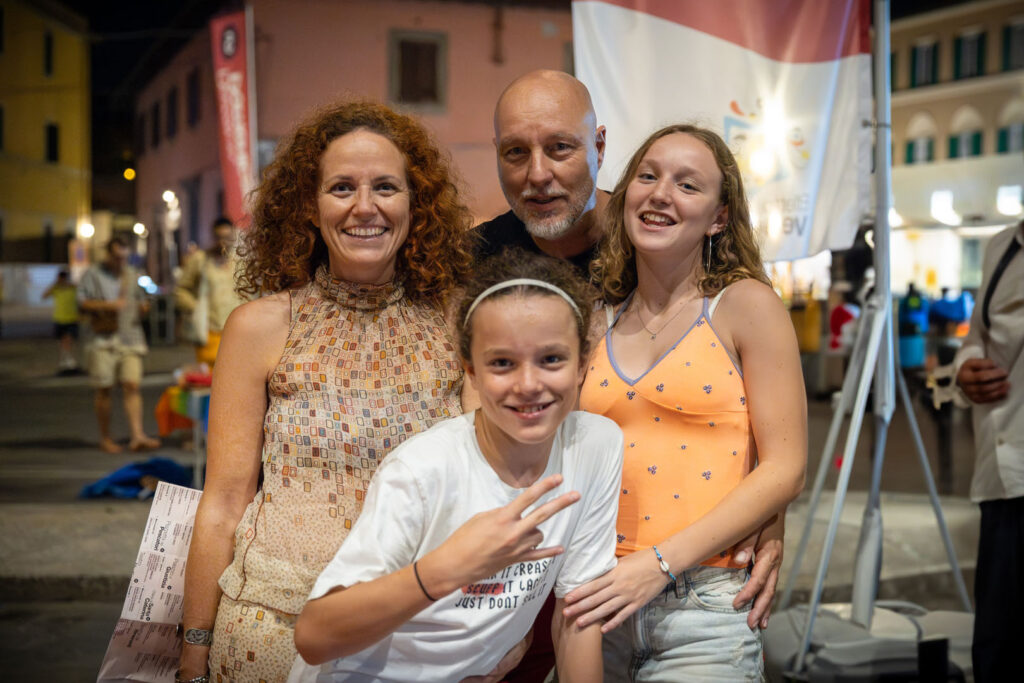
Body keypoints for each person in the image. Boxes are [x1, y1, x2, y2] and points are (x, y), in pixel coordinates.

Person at [177, 101, 475, 683]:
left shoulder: (458, 322)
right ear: (309, 209)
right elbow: (224, 502)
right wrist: (193, 652)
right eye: (342, 188)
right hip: (269, 634)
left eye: (385, 187)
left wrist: (495, 633)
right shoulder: (258, 328)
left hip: (417, 638)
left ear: (415, 204)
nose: (365, 206)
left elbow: (484, 497)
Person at [290, 251, 622, 682]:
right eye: (502, 363)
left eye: (552, 359)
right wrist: (448, 568)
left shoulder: (595, 446)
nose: (528, 384)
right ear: (472, 372)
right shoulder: (421, 470)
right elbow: (314, 636)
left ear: (582, 364)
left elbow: (579, 613)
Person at [565, 124, 807, 680]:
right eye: (647, 176)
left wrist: (659, 564)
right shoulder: (595, 317)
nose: (660, 194)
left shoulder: (745, 306)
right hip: (597, 596)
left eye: (687, 184)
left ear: (719, 217)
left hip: (704, 603)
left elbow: (786, 468)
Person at [953, 219, 1023, 682]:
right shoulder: (1003, 245)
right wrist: (965, 367)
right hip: (1002, 476)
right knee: (997, 649)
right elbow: (977, 334)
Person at [78, 235, 160, 454]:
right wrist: (109, 306)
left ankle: (137, 435)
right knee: (104, 388)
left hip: (130, 337)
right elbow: (81, 302)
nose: (120, 262)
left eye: (124, 257)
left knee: (132, 384)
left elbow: (145, 298)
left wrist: (144, 307)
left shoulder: (132, 274)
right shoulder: (93, 274)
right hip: (102, 339)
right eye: (116, 257)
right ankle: (105, 438)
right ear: (108, 254)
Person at [174, 216, 245, 366]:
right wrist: (196, 307)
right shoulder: (200, 260)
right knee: (210, 376)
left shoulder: (240, 262)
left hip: (237, 332)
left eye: (227, 237)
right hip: (209, 330)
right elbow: (181, 290)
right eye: (219, 237)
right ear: (213, 237)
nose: (223, 242)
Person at [43, 268, 80, 374]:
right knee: (62, 341)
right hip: (59, 318)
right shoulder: (56, 288)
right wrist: (54, 285)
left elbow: (81, 298)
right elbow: (44, 296)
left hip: (71, 318)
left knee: (68, 339)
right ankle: (65, 360)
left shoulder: (73, 288)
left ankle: (68, 359)